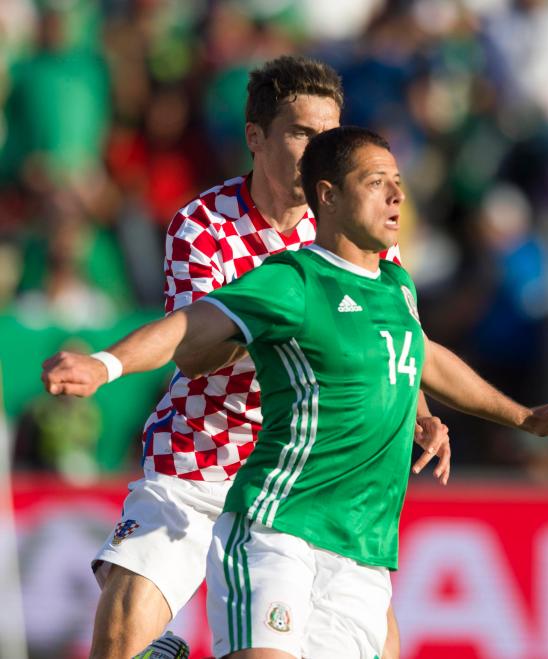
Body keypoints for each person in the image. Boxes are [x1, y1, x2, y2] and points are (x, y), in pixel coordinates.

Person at [42, 125, 548, 658]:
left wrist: (523, 417)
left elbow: (423, 356)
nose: (396, 197)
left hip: (361, 543)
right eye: (377, 183)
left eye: (398, 185)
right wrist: (105, 364)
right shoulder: (294, 279)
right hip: (275, 521)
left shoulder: (395, 284)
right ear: (327, 196)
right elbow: (192, 327)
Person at [75, 56, 449, 659]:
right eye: (301, 132)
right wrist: (285, 321)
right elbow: (195, 357)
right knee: (117, 643)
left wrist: (423, 407)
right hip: (202, 461)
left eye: (328, 133)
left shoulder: (356, 225)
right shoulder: (203, 226)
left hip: (303, 479)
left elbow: (396, 335)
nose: (317, 147)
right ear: (257, 137)